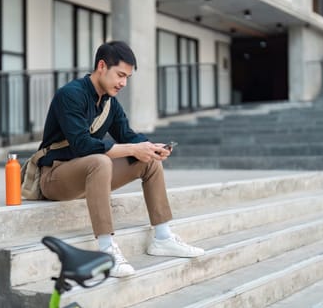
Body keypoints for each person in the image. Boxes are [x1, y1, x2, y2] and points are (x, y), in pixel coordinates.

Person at [37, 41, 204, 277]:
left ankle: (163, 237)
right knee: (100, 160)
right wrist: (131, 149)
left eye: (127, 77)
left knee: (149, 161)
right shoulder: (70, 95)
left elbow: (128, 135)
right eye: (120, 75)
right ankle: (107, 251)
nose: (123, 83)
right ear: (102, 66)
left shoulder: (110, 103)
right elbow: (83, 145)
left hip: (89, 175)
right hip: (54, 177)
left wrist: (150, 147)